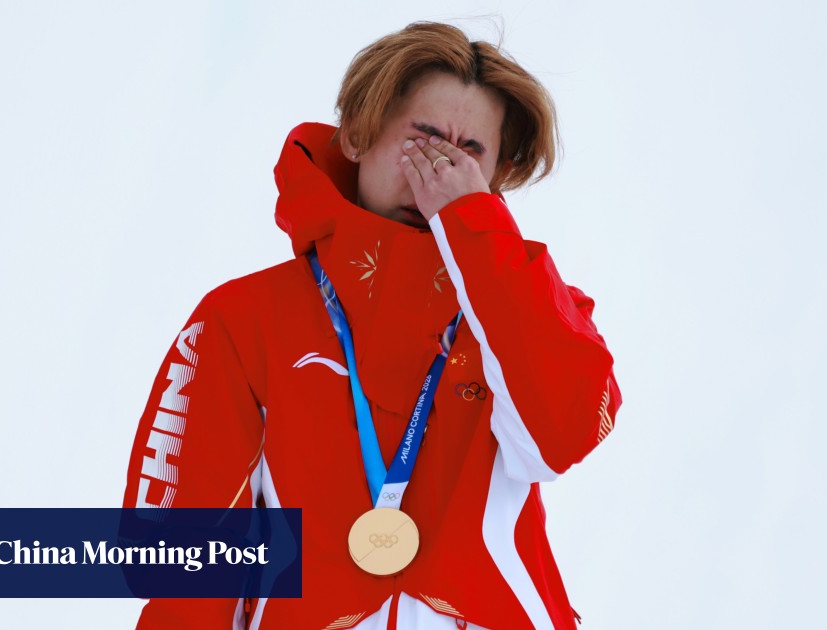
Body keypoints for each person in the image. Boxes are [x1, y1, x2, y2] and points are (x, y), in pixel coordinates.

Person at [123, 21, 622, 630]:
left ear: (494, 181)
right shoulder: (244, 319)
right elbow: (182, 568)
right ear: (358, 135)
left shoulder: (534, 309)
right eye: (425, 136)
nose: (438, 168)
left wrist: (475, 231)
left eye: (469, 153)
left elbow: (563, 436)